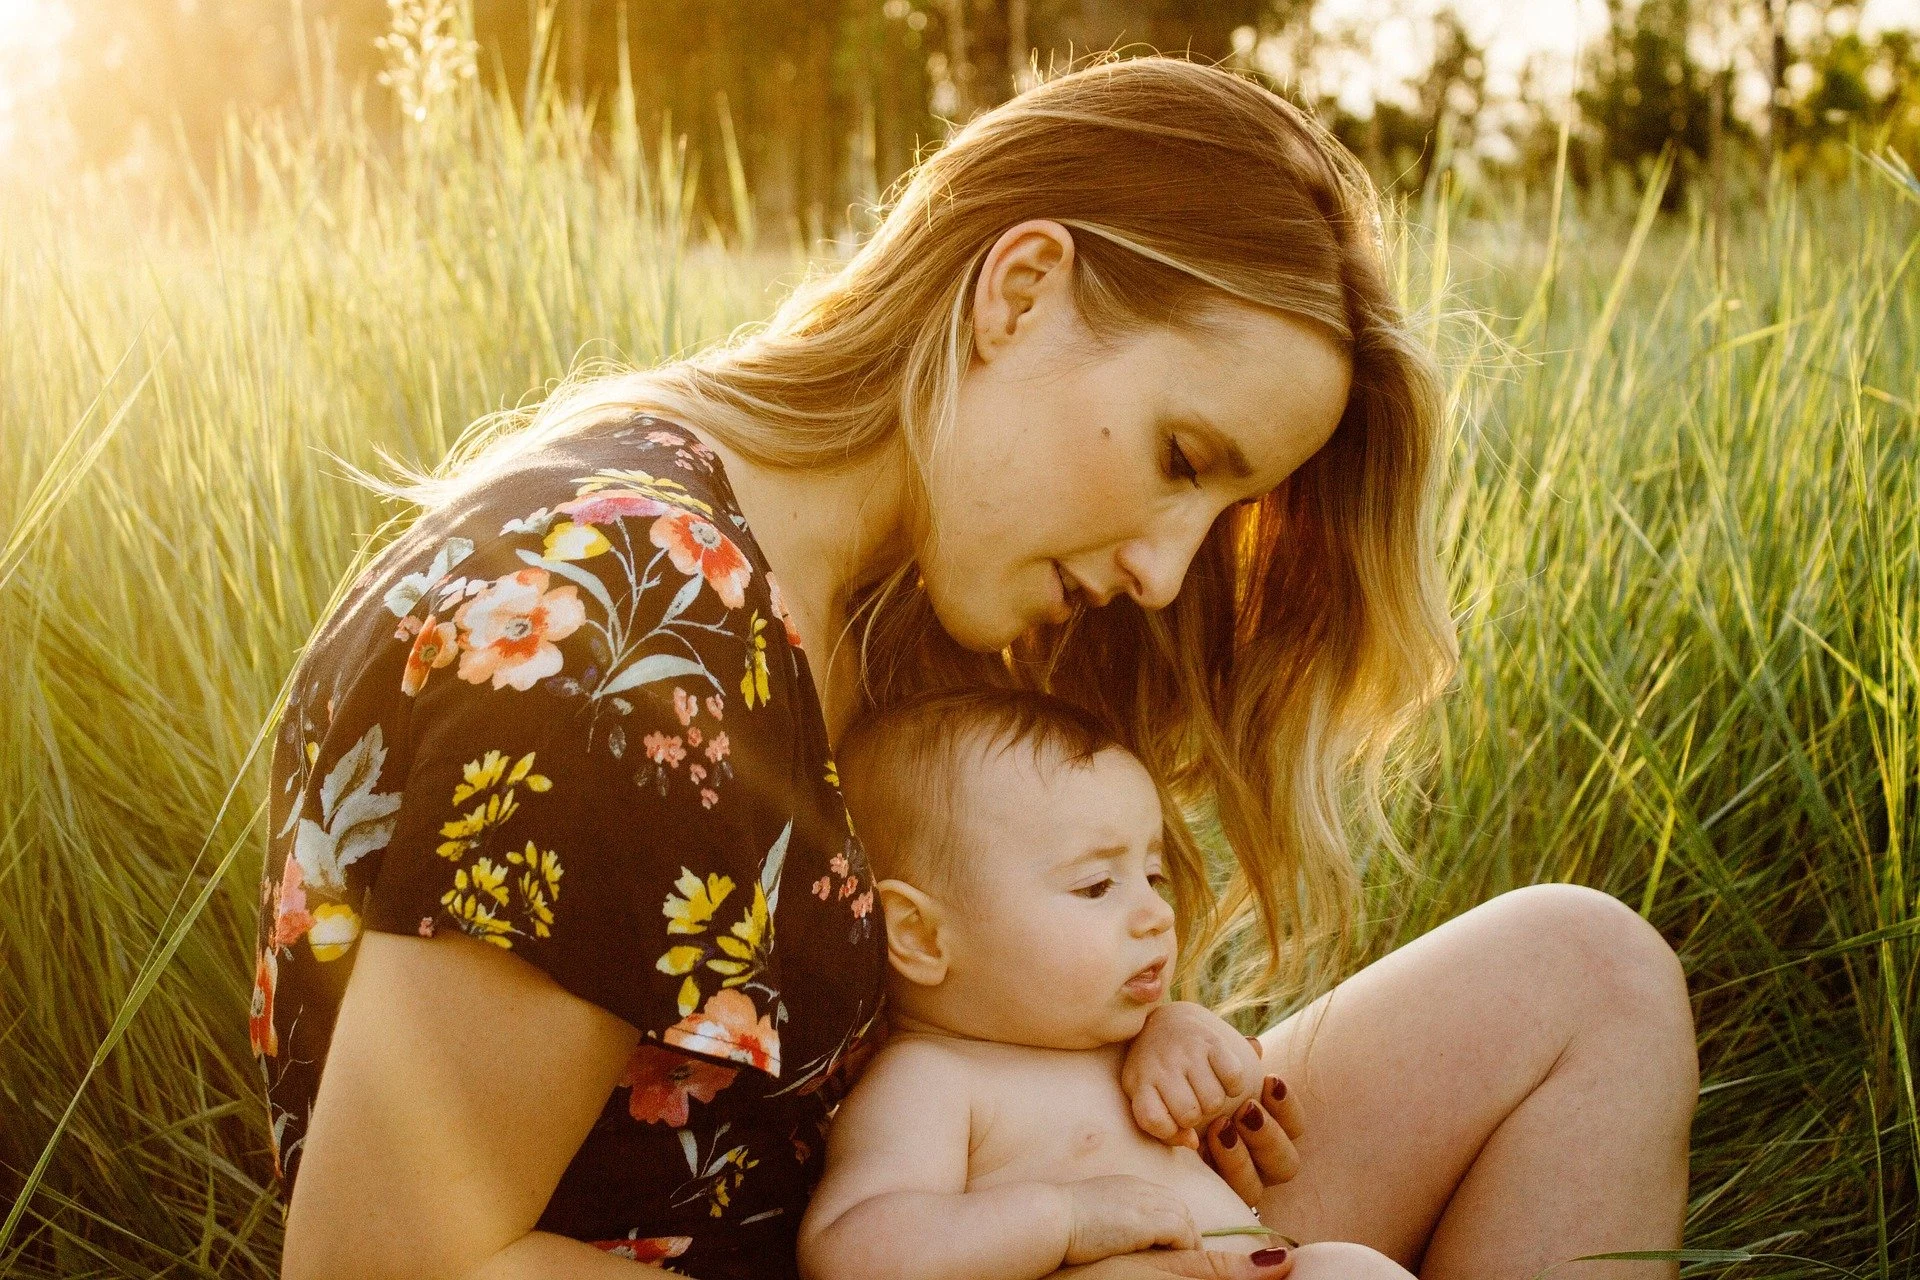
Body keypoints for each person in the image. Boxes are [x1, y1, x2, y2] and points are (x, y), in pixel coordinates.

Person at [257, 53, 1697, 1280]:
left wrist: (1130, 1069)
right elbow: (379, 1267)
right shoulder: (623, 640)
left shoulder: (880, 588)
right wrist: (1055, 1233)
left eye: (1219, 513)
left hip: (972, 1212)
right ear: (1020, 293)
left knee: (1586, 977)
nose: (1165, 572)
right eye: (1179, 460)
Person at [799, 687, 1419, 1280]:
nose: (1158, 915)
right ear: (922, 937)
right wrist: (1064, 1222)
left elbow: (1243, 1114)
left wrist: (1206, 1058)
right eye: (1096, 886)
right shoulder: (931, 1080)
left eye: (1154, 876)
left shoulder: (1133, 1039)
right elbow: (852, 1254)